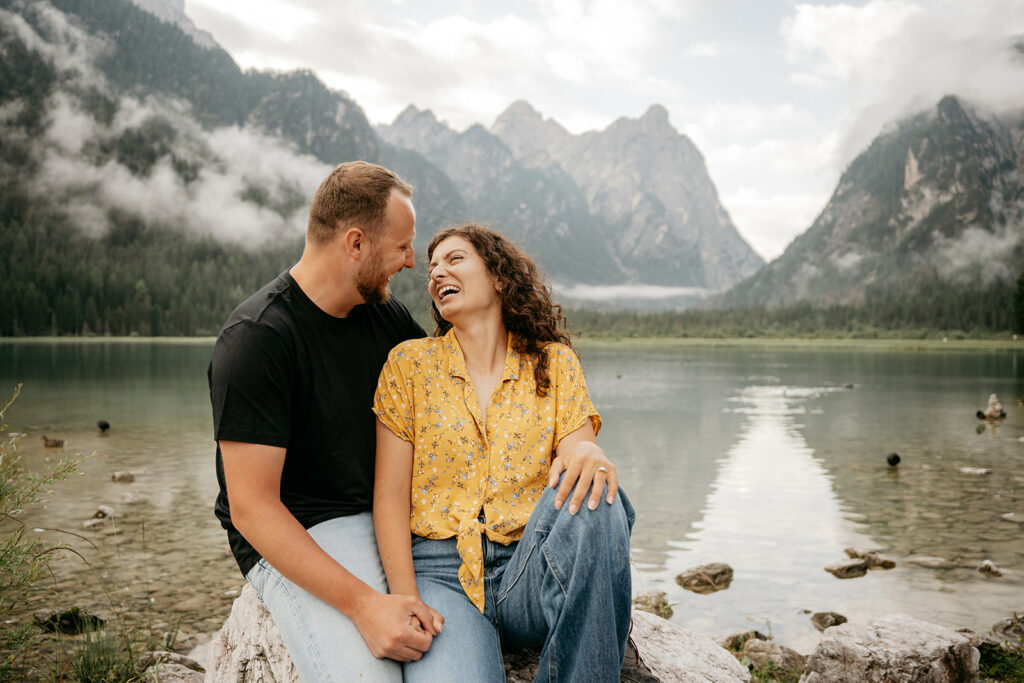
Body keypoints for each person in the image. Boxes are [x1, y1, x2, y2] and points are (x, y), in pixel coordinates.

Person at [208, 161, 444, 681]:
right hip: (299, 530)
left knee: (433, 654)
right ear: (355, 243)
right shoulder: (256, 340)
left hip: (383, 518)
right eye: (401, 246)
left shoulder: (387, 318)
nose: (410, 262)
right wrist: (363, 605)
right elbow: (253, 509)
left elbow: (456, 397)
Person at [373, 224, 636, 682]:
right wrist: (404, 597)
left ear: (498, 277)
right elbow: (390, 495)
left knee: (600, 495)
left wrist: (588, 452)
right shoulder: (408, 365)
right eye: (431, 268)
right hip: (441, 574)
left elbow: (576, 451)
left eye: (454, 260)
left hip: (529, 568)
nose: (436, 273)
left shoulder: (553, 363)